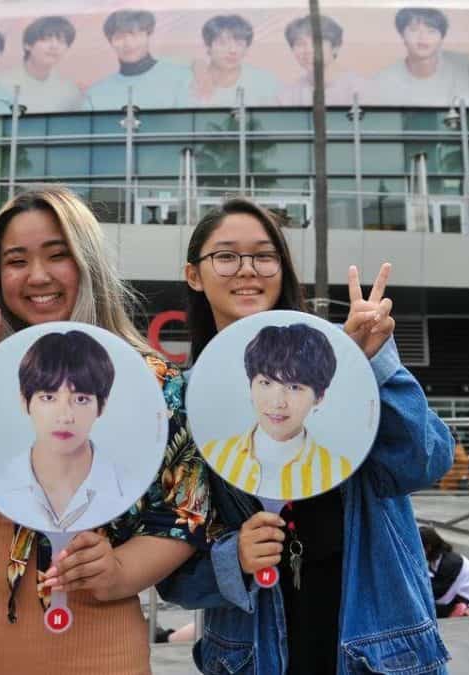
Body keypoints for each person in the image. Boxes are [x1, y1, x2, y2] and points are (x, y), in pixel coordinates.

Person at [0, 186, 209, 673]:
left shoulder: (153, 383)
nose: (37, 276)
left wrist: (119, 571)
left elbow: (184, 514)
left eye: (58, 255)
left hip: (98, 657)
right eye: (16, 260)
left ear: (88, 263)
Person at [157, 197, 453, 674]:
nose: (247, 269)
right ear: (194, 274)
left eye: (264, 256)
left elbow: (424, 462)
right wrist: (233, 559)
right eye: (226, 256)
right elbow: (171, 571)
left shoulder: (342, 355)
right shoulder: (185, 402)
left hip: (379, 650)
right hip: (252, 655)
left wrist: (368, 366)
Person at [0, 330, 126, 533]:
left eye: (81, 399)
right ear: (25, 401)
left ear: (101, 406)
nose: (65, 416)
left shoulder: (128, 487)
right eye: (48, 397)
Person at [200, 323, 352, 500]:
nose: (277, 402)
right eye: (265, 383)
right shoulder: (214, 454)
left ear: (319, 396)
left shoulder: (338, 469)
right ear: (250, 386)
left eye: (294, 387)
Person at [370, 7, 469, 107]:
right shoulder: (383, 80)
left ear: (442, 37)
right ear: (402, 35)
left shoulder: (465, 64)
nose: (423, 37)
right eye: (414, 30)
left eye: (431, 31)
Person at [83, 9, 191, 111]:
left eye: (134, 34)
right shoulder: (95, 94)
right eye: (119, 37)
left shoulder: (182, 77)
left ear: (148, 35)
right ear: (111, 42)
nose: (128, 44)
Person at [180, 14, 280, 107]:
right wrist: (198, 65)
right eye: (223, 43)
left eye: (239, 44)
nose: (232, 50)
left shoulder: (264, 81)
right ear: (208, 46)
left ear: (246, 49)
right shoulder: (187, 79)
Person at [276, 14, 367, 106]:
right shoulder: (287, 96)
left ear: (335, 47)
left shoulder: (360, 89)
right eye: (300, 44)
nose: (308, 51)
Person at [0, 16, 82, 113]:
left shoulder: (70, 90)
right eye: (46, 39)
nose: (54, 46)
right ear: (27, 45)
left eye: (62, 41)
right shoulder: (0, 84)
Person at [420, 526, 469, 617]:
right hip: (458, 598)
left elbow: (439, 594)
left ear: (428, 547)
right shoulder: (436, 560)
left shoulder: (450, 563)